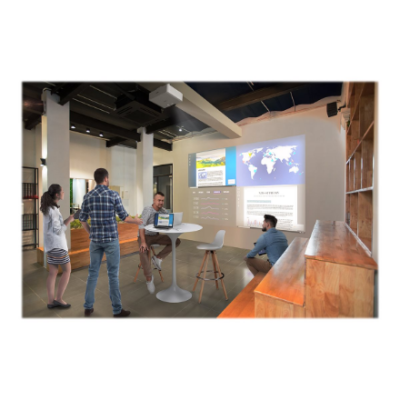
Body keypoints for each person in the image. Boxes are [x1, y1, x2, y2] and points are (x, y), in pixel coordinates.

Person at [79, 168, 143, 317]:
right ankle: (117, 310)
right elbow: (124, 217)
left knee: (92, 273)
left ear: (96, 179)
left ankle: (88, 307)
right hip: (111, 241)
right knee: (113, 275)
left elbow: (82, 219)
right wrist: (137, 221)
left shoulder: (87, 196)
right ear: (106, 179)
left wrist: (91, 233)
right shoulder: (113, 194)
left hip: (95, 241)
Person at [138, 191, 181, 294]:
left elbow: (169, 223)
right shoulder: (148, 210)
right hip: (145, 236)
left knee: (176, 241)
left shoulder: (163, 211)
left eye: (162, 200)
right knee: (143, 251)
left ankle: (158, 258)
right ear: (154, 200)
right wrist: (143, 242)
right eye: (159, 200)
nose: (161, 202)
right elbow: (141, 226)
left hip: (155, 236)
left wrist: (173, 225)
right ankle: (149, 279)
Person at [40, 184, 75, 309]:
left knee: (53, 272)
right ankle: (59, 299)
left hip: (50, 246)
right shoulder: (53, 210)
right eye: (62, 191)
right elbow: (58, 231)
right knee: (67, 270)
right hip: (58, 247)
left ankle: (50, 302)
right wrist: (69, 220)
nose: (64, 193)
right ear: (57, 194)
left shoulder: (48, 208)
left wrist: (68, 218)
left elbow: (55, 227)